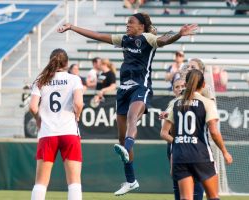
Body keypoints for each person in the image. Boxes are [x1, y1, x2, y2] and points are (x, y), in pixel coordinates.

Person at [57, 12, 198, 196]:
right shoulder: (124, 39)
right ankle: (131, 180)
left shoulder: (148, 38)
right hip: (123, 91)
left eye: (131, 22)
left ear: (141, 26)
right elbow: (98, 36)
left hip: (141, 87)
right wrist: (72, 27)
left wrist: (179, 34)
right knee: (121, 138)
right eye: (127, 23)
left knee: (133, 118)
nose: (127, 25)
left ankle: (127, 148)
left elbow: (163, 41)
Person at [160, 69, 233, 200]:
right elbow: (214, 131)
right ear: (203, 85)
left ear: (186, 84)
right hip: (201, 155)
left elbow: (169, 131)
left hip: (180, 156)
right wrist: (224, 151)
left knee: (186, 198)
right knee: (213, 197)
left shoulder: (176, 103)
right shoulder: (207, 102)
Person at [29, 48, 84, 200]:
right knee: (74, 183)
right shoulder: (74, 79)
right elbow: (79, 103)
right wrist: (77, 115)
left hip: (48, 133)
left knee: (40, 183)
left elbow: (33, 107)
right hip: (69, 132)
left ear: (50, 61)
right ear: (66, 63)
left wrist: (39, 119)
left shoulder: (41, 80)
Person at [159, 77, 204, 200]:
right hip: (177, 146)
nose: (180, 89)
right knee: (178, 182)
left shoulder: (198, 101)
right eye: (177, 87)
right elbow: (163, 133)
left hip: (193, 146)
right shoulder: (173, 104)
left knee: (197, 181)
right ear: (173, 90)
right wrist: (178, 142)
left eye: (182, 86)